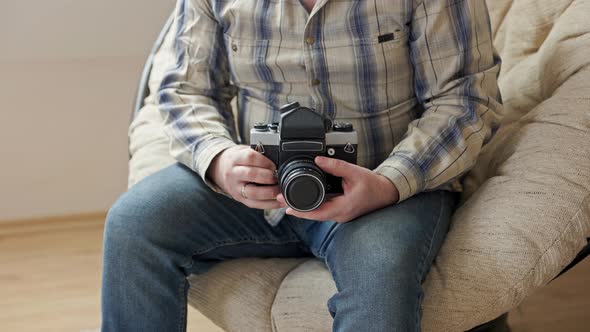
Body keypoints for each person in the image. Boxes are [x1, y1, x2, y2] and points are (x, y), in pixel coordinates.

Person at [101, 0, 503, 331]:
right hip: (257, 190)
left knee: (379, 275)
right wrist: (219, 159)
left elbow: (465, 100)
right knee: (133, 225)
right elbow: (183, 88)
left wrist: (388, 183)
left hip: (384, 185)